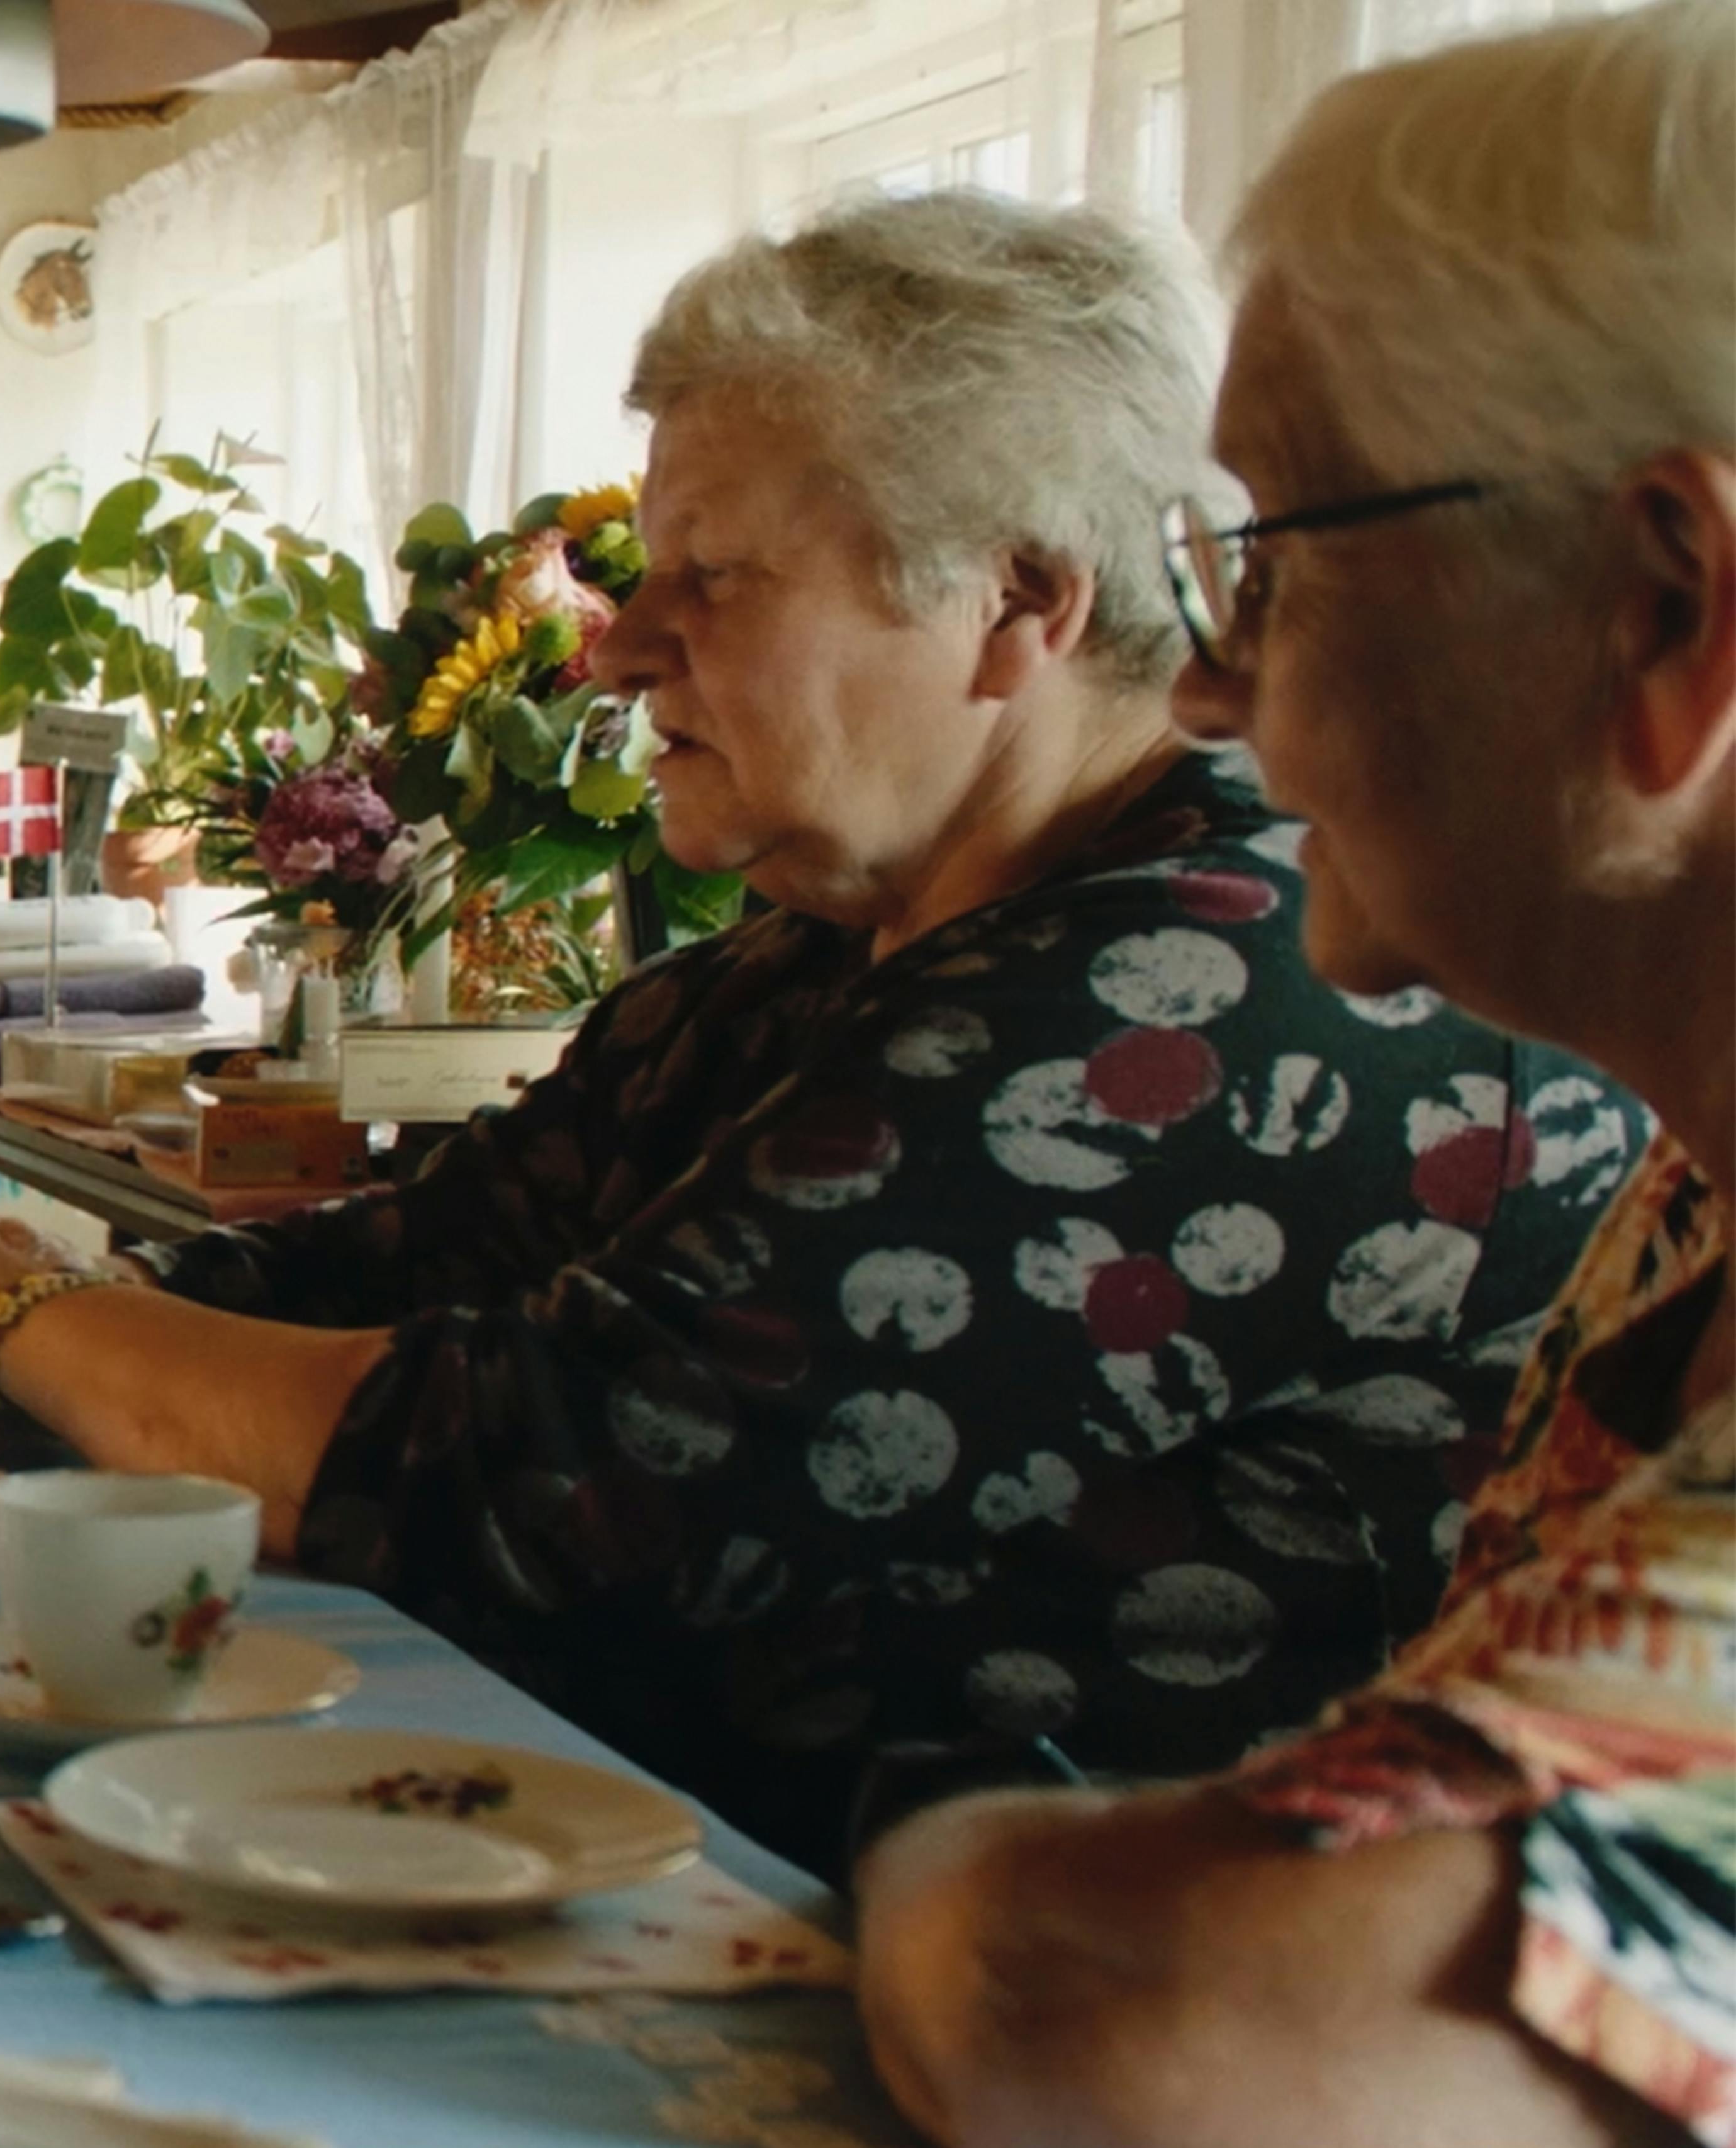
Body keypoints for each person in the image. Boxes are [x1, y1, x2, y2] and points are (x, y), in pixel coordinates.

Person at [0, 191, 1637, 1874]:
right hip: (681, 1888)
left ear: (1020, 602)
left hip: (1025, 2008)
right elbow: (384, 1273)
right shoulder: (819, 952)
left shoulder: (1211, 981)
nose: (621, 645)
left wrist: (7, 1309)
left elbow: (546, 1470)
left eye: (711, 579)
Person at [851, 15, 1736, 2145]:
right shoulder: (1687, 1206)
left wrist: (947, 1857)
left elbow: (1134, 2015)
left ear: (1667, 610)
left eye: (1277, 551)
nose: (1211, 683)